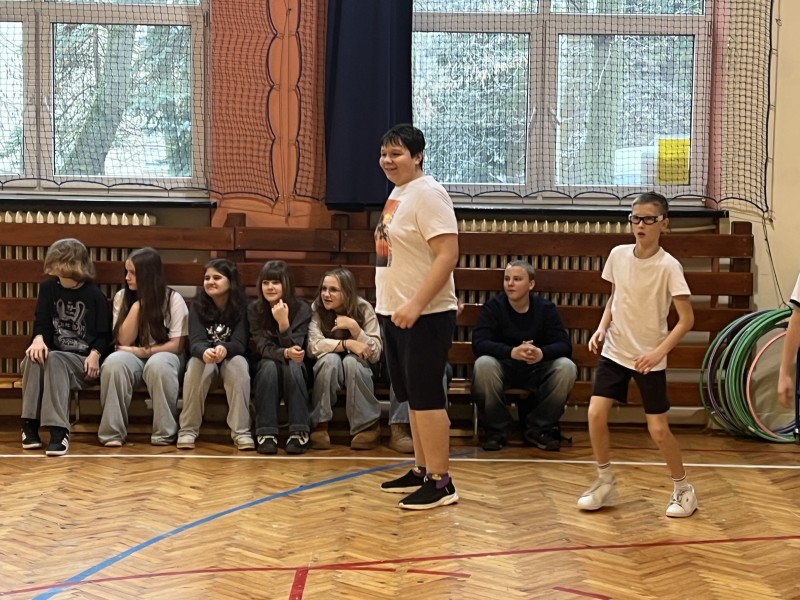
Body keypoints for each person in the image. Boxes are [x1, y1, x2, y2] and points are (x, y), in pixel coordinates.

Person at [577, 192, 698, 518]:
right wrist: (601, 327)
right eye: (635, 218)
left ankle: (683, 489)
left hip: (649, 358)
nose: (640, 225)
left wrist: (658, 352)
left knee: (658, 429)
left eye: (648, 219)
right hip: (615, 350)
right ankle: (604, 481)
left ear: (664, 223)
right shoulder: (618, 255)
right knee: (595, 414)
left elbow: (686, 320)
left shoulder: (669, 266)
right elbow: (615, 296)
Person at [375, 123, 460, 510]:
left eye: (396, 154)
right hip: (394, 311)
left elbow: (447, 254)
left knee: (427, 398)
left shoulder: (429, 194)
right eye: (384, 154)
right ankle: (423, 469)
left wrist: (416, 304)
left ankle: (442, 482)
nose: (387, 160)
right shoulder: (399, 193)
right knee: (411, 396)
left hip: (425, 314)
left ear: (418, 156)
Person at [471, 260, 577, 451]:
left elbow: (564, 345)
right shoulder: (494, 307)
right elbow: (479, 343)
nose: (510, 284)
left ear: (531, 284)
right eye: (507, 279)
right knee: (483, 364)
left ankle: (539, 428)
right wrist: (511, 352)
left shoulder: (545, 308)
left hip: (536, 368)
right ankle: (497, 430)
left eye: (517, 279)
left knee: (566, 367)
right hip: (504, 366)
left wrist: (541, 353)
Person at [20, 238, 112, 456]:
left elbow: (104, 335)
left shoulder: (94, 295)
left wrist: (95, 354)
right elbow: (42, 322)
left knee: (54, 359)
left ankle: (59, 430)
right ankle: (29, 425)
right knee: (34, 357)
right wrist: (38, 339)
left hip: (81, 361)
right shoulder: (48, 289)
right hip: (53, 358)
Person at [98, 247, 188, 447]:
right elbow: (123, 341)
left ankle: (164, 433)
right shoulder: (122, 297)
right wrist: (138, 306)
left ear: (148, 275)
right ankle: (112, 433)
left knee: (159, 365)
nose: (127, 277)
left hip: (167, 356)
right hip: (133, 358)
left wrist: (140, 351)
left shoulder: (173, 299)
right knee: (113, 363)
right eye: (126, 271)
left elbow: (176, 346)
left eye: (133, 273)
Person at [177, 258, 253, 451]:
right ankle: (187, 430)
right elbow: (195, 342)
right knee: (195, 364)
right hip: (206, 362)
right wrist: (205, 351)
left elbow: (240, 343)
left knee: (239, 363)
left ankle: (241, 432)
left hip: (230, 361)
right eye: (207, 278)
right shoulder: (197, 306)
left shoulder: (244, 306)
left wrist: (225, 348)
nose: (210, 282)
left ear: (230, 281)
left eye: (217, 278)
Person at [307, 268, 383, 450]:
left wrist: (355, 329)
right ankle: (320, 424)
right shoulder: (316, 308)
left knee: (351, 362)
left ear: (347, 292)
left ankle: (367, 425)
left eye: (333, 290)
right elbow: (312, 347)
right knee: (329, 361)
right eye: (324, 289)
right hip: (329, 361)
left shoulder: (363, 308)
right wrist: (347, 344)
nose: (326, 294)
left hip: (361, 365)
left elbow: (376, 354)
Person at [248, 259, 312, 455]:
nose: (270, 287)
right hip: (265, 366)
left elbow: (297, 348)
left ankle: (299, 431)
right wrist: (284, 352)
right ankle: (266, 432)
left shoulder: (302, 309)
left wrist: (283, 324)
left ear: (286, 284)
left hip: (298, 365)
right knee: (269, 366)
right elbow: (262, 347)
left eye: (275, 282)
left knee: (293, 366)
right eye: (265, 282)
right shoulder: (254, 309)